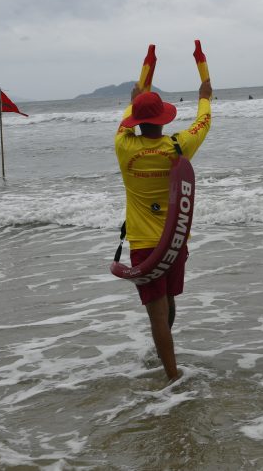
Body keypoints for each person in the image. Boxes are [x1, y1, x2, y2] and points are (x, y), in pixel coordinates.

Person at [114, 79, 212, 382]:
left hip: (144, 245)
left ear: (137, 122)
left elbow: (123, 126)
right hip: (175, 241)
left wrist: (134, 102)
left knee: (157, 313)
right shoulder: (178, 146)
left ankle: (172, 377)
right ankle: (167, 359)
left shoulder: (124, 147)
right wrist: (204, 98)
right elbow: (203, 123)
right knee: (168, 301)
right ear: (163, 120)